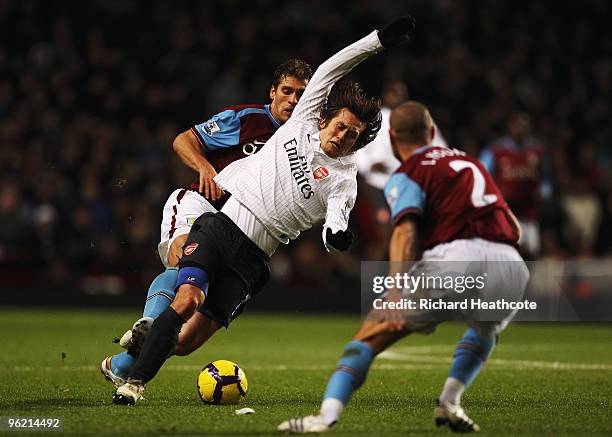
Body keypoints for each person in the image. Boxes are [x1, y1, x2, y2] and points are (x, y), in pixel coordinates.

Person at [111, 16, 417, 406]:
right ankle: (135, 382)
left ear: (358, 143)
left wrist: (337, 235)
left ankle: (138, 349)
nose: (341, 137)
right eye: (340, 126)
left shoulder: (344, 178)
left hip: (253, 261)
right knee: (186, 295)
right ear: (324, 117)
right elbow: (332, 66)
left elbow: (338, 218)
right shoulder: (301, 121)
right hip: (219, 224)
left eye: (352, 135)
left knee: (186, 343)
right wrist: (377, 41)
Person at [278, 101, 529, 433]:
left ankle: (324, 417)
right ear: (432, 132)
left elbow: (405, 229)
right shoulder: (470, 163)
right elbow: (514, 228)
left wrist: (395, 288)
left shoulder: (409, 172)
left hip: (455, 259)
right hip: (511, 265)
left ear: (393, 137)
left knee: (369, 335)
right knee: (486, 329)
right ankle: (450, 402)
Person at [100, 59, 312, 387]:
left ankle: (125, 363)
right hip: (201, 205)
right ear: (273, 91)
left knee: (186, 338)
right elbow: (183, 140)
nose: (293, 100)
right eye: (287, 91)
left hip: (242, 236)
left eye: (302, 93)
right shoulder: (246, 119)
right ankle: (151, 322)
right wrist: (203, 166)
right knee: (184, 259)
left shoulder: (305, 141)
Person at [479, 112, 549, 259]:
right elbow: (482, 174)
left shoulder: (537, 150)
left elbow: (545, 176)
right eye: (517, 125)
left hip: (530, 210)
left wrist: (544, 191)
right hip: (507, 211)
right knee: (511, 250)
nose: (520, 129)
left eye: (523, 126)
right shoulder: (495, 150)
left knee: (532, 251)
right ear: (509, 126)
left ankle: (529, 282)